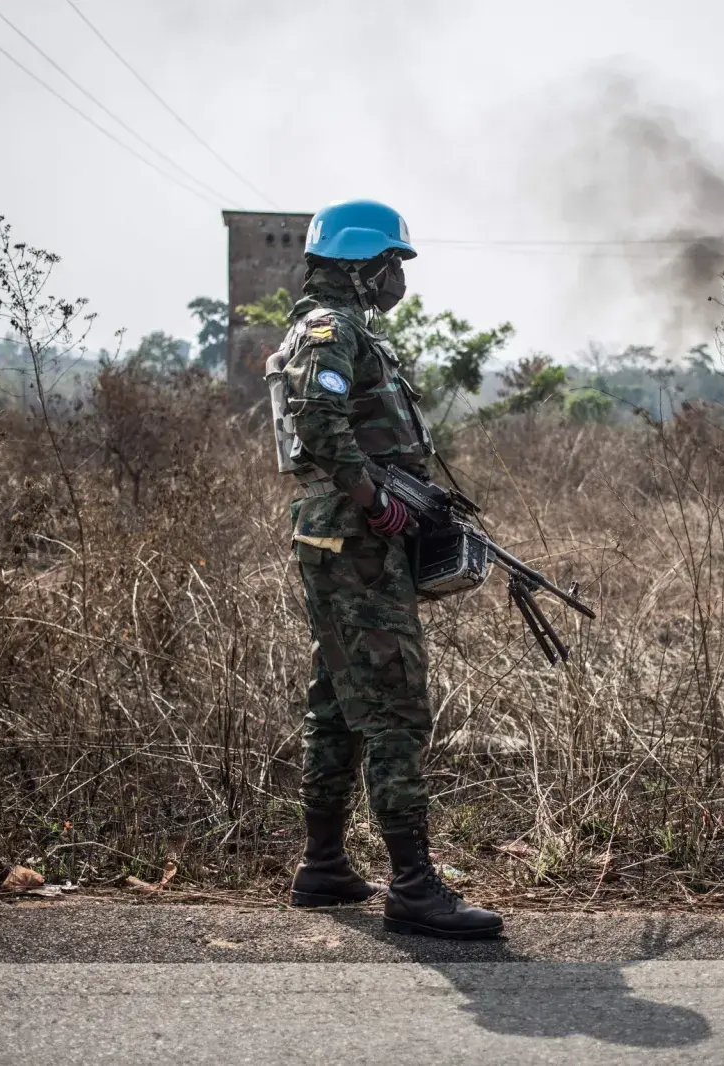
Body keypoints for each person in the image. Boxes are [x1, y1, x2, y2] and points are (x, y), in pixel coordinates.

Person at [266, 199, 503, 940]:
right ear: (361, 263)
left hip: (339, 534)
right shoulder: (333, 329)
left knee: (338, 696)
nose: (398, 277)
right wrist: (377, 502)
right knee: (396, 701)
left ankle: (325, 867)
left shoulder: (347, 331)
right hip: (353, 536)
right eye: (393, 262)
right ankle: (413, 888)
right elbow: (318, 423)